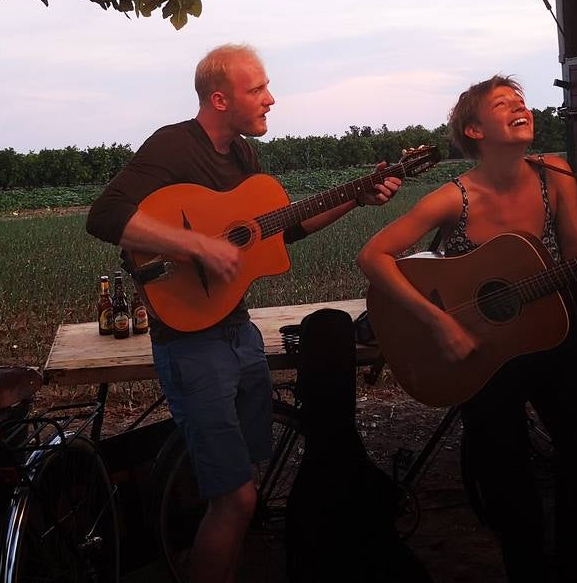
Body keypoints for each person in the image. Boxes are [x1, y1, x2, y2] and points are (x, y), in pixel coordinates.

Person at [86, 43, 400, 583]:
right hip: (190, 343)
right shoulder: (173, 145)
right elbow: (105, 215)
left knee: (243, 485)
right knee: (235, 499)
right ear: (219, 98)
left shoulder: (243, 159)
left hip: (238, 331)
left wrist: (356, 197)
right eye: (257, 89)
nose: (270, 99)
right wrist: (197, 247)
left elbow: (282, 230)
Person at [357, 74, 577, 582]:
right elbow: (374, 255)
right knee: (505, 475)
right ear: (475, 131)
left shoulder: (556, 174)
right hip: (480, 349)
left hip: (552, 332)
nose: (520, 107)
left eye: (521, 101)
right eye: (503, 103)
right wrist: (439, 324)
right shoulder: (454, 197)